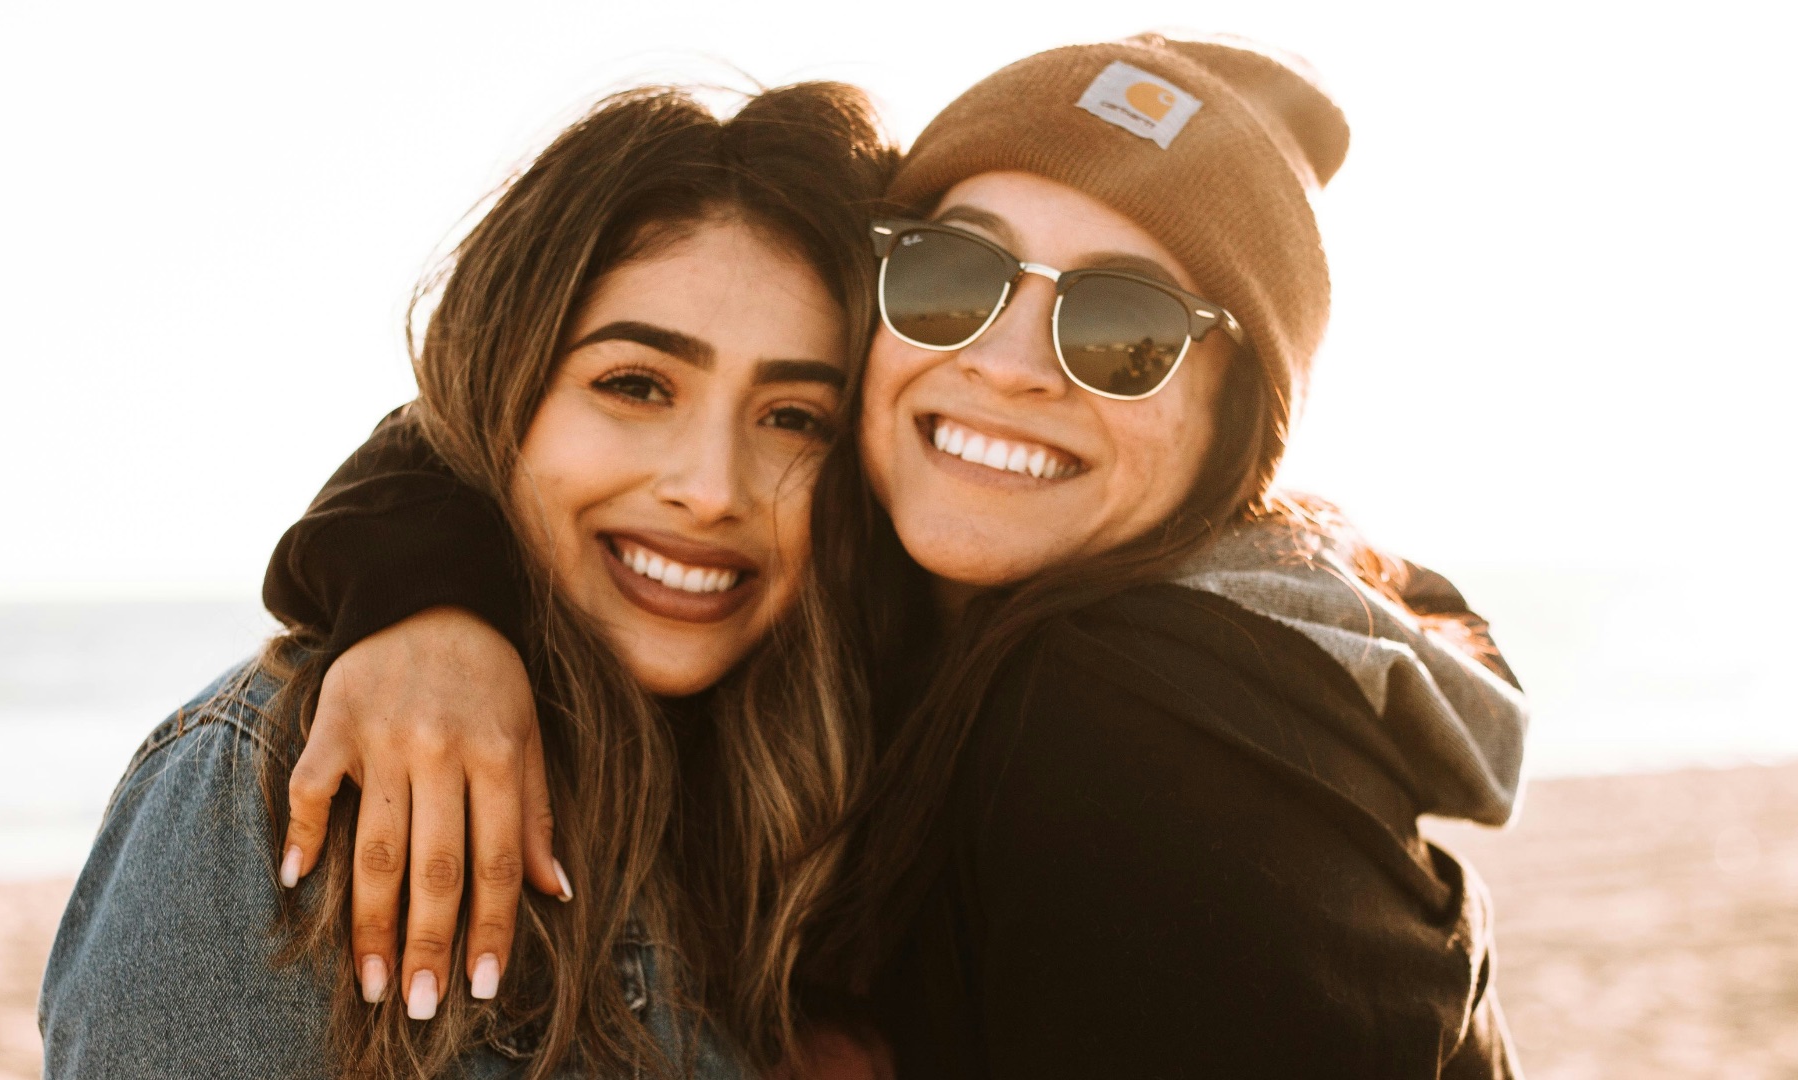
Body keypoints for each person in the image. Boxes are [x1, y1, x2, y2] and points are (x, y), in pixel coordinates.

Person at [264, 33, 1530, 1078]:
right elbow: (524, 403)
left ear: (1235, 429)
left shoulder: (1138, 714)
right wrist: (431, 600)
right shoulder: (900, 589)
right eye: (952, 277)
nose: (1008, 363)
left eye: (1127, 326)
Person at [38, 82, 898, 1080]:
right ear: (502, 395)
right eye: (634, 385)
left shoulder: (814, 801)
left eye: (795, 417)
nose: (711, 490)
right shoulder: (287, 780)